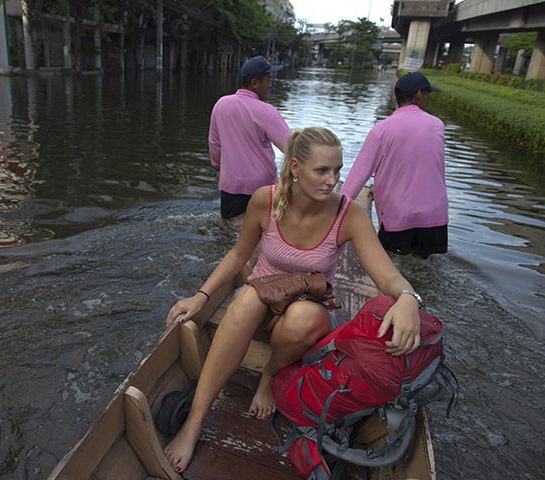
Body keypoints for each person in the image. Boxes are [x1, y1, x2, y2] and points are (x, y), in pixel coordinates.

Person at [164, 127, 424, 473]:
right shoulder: (265, 200)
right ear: (296, 168)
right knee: (245, 300)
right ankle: (194, 422)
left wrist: (407, 298)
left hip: (307, 321)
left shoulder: (349, 215)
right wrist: (201, 296)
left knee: (302, 316)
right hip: (260, 307)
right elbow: (239, 255)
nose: (333, 180)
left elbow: (388, 276)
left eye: (337, 170)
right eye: (322, 171)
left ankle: (270, 376)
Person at [341, 71, 448, 258]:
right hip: (434, 216)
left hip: (398, 217)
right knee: (421, 266)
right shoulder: (438, 125)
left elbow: (356, 179)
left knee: (390, 264)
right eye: (427, 94)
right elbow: (424, 168)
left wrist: (334, 211)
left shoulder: (381, 130)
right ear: (419, 95)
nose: (427, 98)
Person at [209, 55, 291, 222]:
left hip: (230, 183)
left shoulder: (221, 104)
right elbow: (292, 147)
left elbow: (214, 143)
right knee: (260, 233)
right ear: (254, 83)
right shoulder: (267, 112)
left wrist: (218, 168)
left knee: (230, 231)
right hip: (261, 187)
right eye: (267, 81)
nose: (270, 85)